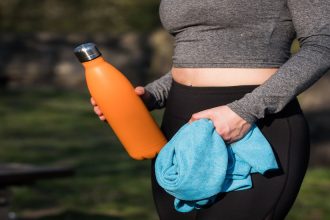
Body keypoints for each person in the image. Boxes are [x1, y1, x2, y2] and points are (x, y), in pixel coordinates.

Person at [91, 0, 330, 219]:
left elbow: (323, 42)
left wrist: (245, 111)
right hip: (180, 126)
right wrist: (151, 96)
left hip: (255, 122)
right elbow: (195, 56)